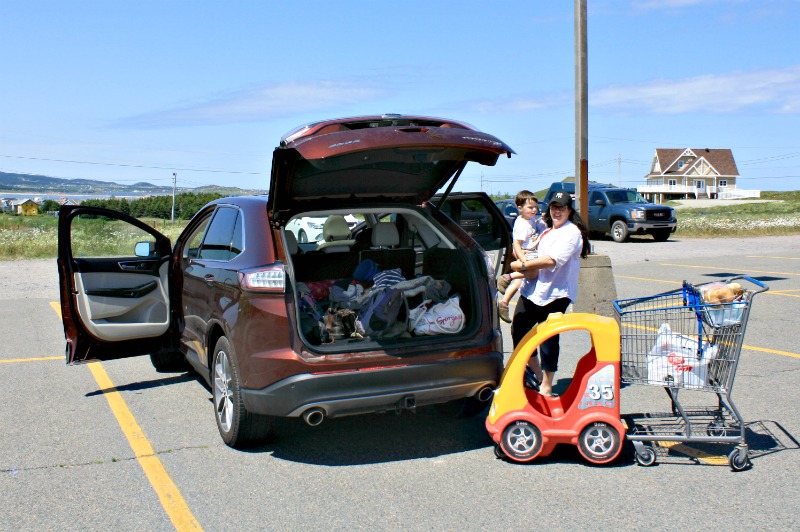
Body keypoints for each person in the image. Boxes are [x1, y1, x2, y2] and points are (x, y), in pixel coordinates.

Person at [508, 190, 591, 397]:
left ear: (569, 210)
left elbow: (551, 260)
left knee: (548, 338)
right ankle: (535, 374)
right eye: (554, 207)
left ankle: (546, 384)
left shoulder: (571, 233)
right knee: (519, 328)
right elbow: (527, 247)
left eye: (561, 207)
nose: (557, 211)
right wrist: (520, 253)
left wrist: (522, 264)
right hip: (533, 289)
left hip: (556, 294)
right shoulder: (545, 229)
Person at [496, 191, 546, 323]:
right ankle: (507, 277)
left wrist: (542, 218)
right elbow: (516, 244)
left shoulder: (529, 220)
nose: (534, 210)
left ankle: (504, 304)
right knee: (534, 272)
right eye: (530, 207)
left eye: (536, 207)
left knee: (520, 282)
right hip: (527, 254)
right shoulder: (522, 225)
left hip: (529, 252)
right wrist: (523, 260)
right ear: (519, 208)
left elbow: (536, 224)